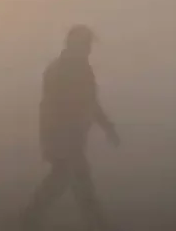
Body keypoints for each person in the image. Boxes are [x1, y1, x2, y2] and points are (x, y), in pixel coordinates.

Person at [20, 25, 121, 231]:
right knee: (77, 182)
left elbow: (91, 103)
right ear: (76, 44)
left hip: (72, 139)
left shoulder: (82, 69)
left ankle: (29, 218)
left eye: (89, 45)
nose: (89, 49)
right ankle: (97, 224)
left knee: (64, 180)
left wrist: (107, 127)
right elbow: (50, 108)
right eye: (86, 44)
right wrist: (53, 141)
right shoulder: (60, 70)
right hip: (63, 139)